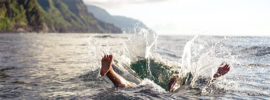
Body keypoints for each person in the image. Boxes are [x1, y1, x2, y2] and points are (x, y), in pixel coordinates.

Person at [100, 54, 230, 92]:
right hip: (158, 93)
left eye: (175, 80)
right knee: (129, 86)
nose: (173, 80)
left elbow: (202, 84)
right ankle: (109, 71)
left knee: (129, 86)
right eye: (173, 80)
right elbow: (203, 84)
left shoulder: (186, 88)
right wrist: (216, 75)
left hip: (157, 93)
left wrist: (216, 75)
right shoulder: (157, 89)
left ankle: (110, 71)